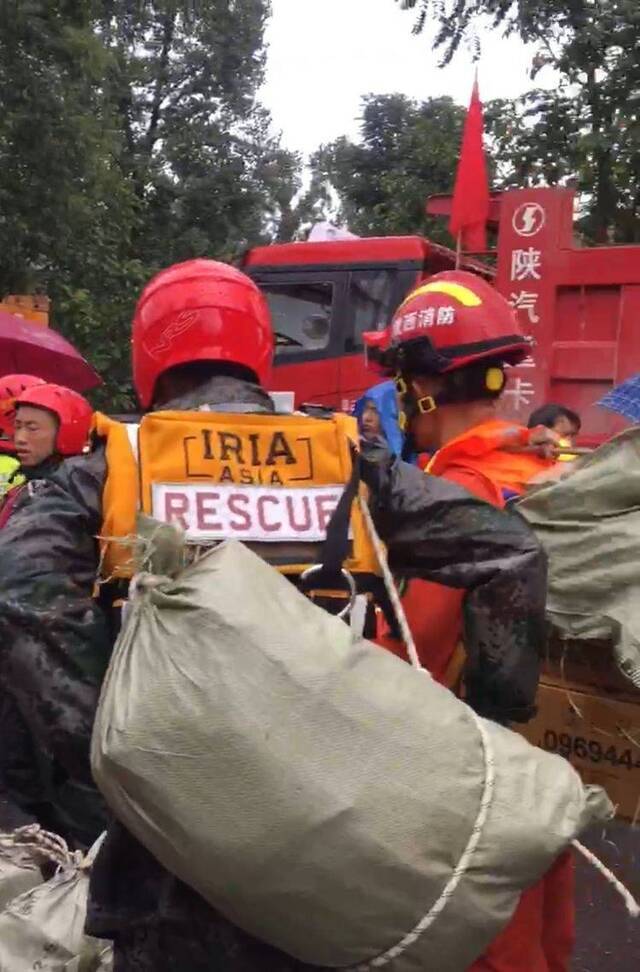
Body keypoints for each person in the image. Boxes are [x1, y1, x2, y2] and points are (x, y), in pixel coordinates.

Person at [0, 259, 547, 971]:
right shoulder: (345, 458)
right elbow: (511, 556)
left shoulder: (111, 466)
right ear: (261, 348)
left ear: (148, 353)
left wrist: (110, 746)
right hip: (333, 822)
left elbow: (18, 593)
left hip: (172, 853)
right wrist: (490, 724)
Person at [364, 269, 574, 972]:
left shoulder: (457, 497)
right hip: (552, 781)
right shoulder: (547, 470)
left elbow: (410, 656)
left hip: (472, 799)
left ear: (417, 384)